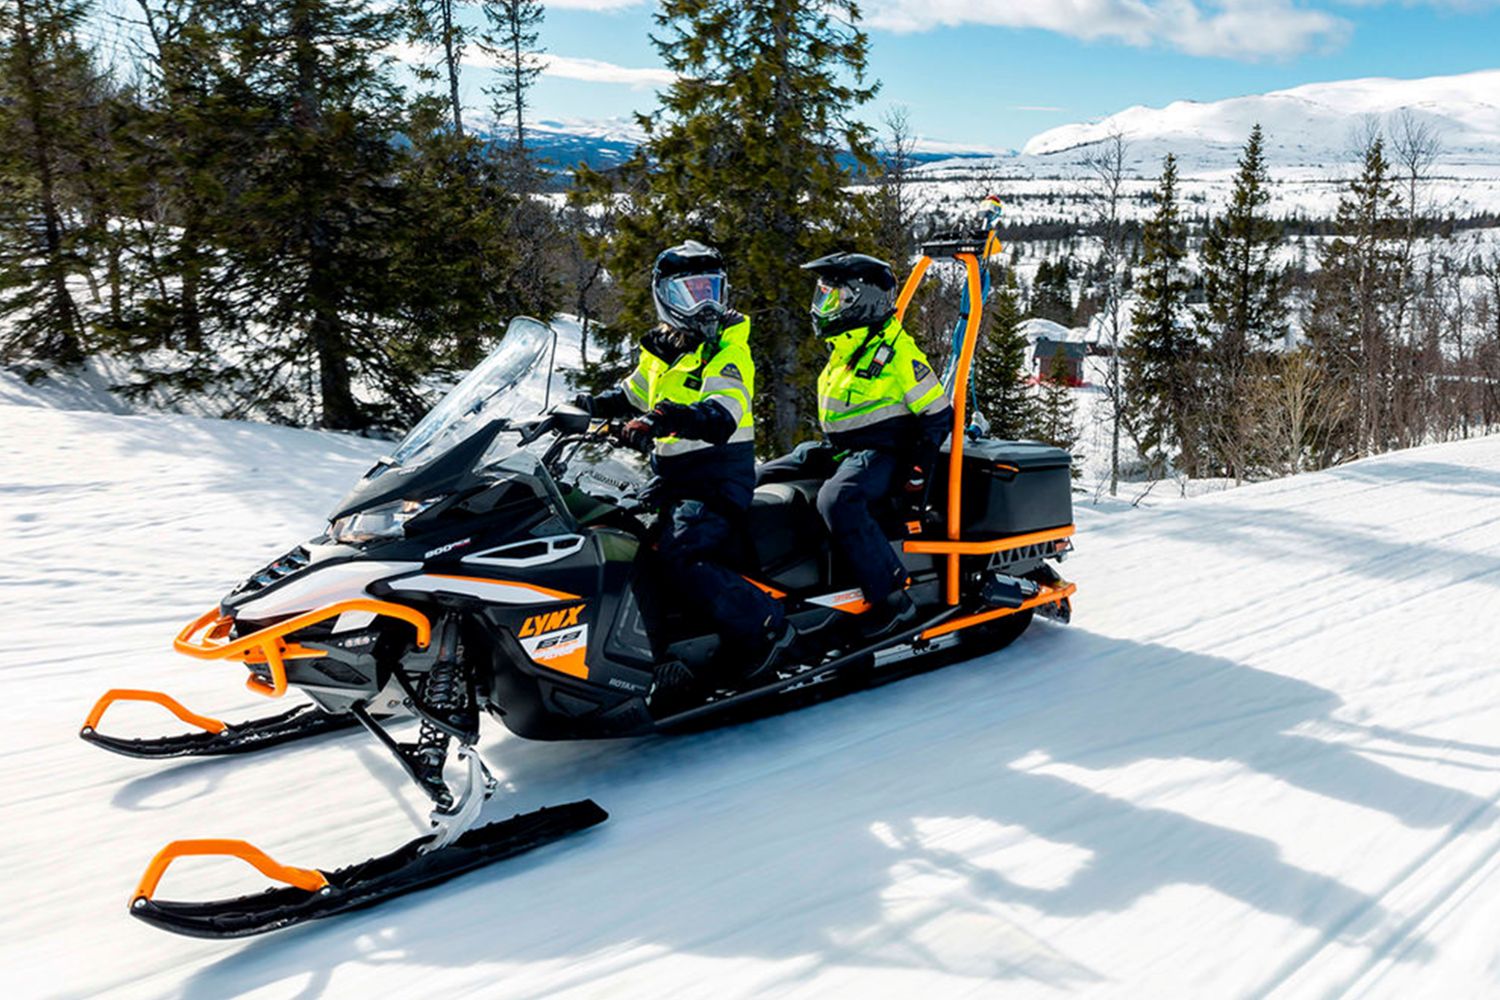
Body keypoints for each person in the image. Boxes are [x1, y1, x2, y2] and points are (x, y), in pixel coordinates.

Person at [572, 240, 794, 697]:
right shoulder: (664, 348)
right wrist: (584, 407)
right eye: (691, 292)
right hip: (673, 478)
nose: (705, 304)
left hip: (717, 479)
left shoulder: (728, 349)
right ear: (665, 298)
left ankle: (762, 627)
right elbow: (634, 393)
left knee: (684, 551)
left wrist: (660, 419)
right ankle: (660, 648)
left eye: (712, 289)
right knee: (621, 537)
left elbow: (720, 412)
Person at [757, 252, 951, 639]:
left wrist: (917, 471)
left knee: (837, 498)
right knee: (760, 476)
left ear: (862, 301)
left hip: (886, 453)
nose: (823, 305)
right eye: (822, 296)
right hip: (844, 448)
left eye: (833, 296)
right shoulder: (848, 347)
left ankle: (894, 599)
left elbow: (938, 415)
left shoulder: (899, 355)